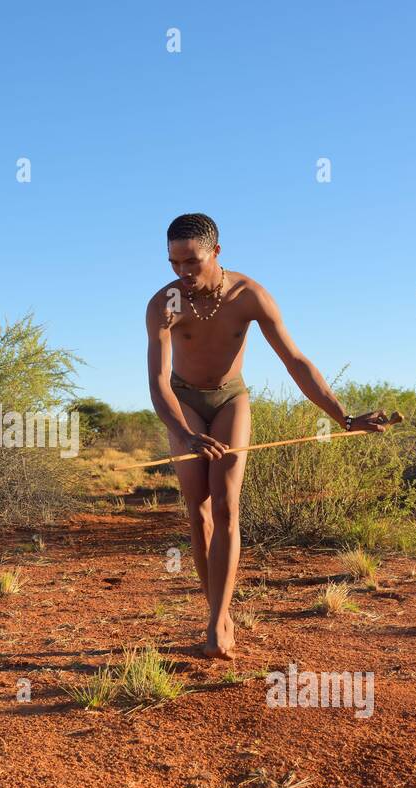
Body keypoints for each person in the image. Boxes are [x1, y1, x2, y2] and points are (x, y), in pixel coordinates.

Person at [146, 213, 389, 659]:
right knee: (197, 510)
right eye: (174, 262)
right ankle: (215, 609)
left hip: (229, 401)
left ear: (216, 253)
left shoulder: (249, 295)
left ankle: (219, 621)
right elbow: (158, 382)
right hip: (183, 403)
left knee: (226, 505)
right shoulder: (166, 303)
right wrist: (182, 432)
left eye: (192, 261)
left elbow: (295, 360)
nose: (182, 272)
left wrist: (343, 417)